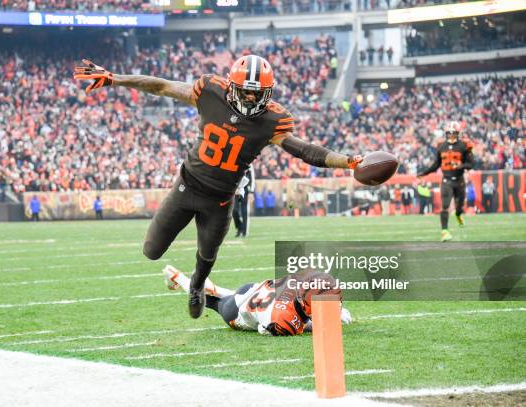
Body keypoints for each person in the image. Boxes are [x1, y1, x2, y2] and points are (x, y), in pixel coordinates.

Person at [74, 56, 363, 319]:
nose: (250, 98)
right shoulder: (209, 91)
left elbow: (305, 150)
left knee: (207, 254)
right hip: (186, 187)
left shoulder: (272, 121)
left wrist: (348, 161)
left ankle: (197, 286)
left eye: (257, 93)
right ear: (232, 86)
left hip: (221, 199)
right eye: (245, 90)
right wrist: (114, 78)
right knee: (151, 251)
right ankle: (196, 281)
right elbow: (161, 86)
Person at [162, 265, 352, 336]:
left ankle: (207, 285)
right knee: (210, 301)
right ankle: (179, 278)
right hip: (239, 312)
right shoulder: (285, 320)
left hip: (254, 290)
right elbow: (264, 329)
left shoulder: (299, 285)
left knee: (219, 292)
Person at [418, 122, 474, 241]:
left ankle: (458, 215)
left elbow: (471, 164)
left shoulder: (464, 146)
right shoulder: (441, 146)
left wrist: (460, 166)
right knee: (445, 206)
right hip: (446, 180)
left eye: (454, 133)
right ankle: (444, 231)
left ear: (458, 134)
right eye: (449, 133)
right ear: (446, 133)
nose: (451, 136)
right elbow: (436, 164)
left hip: (459, 180)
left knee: (459, 207)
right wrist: (424, 173)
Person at [232, 166, 254, 237]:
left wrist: (251, 191)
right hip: (235, 189)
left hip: (245, 189)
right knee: (234, 210)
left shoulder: (249, 163)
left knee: (245, 211)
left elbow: (252, 178)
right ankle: (239, 227)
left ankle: (244, 231)